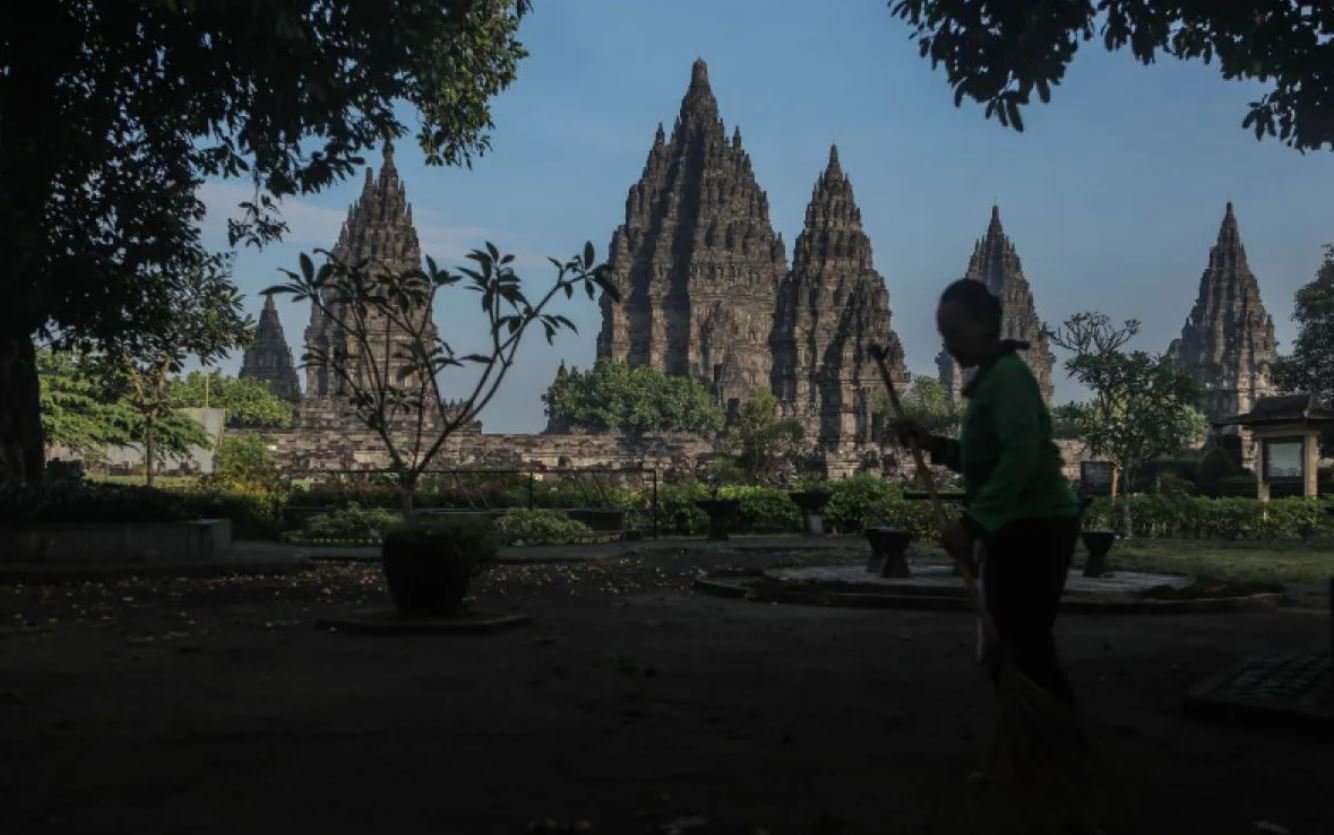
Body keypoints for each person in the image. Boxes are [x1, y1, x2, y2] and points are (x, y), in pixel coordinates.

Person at [894, 278, 1082, 706]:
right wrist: (932, 444)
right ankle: (1023, 751)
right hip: (1016, 523)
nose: (951, 346)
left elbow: (1021, 456)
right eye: (945, 337)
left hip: (1037, 522)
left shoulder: (1009, 378)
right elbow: (985, 458)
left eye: (956, 334)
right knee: (1007, 645)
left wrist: (974, 522)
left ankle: (1055, 750)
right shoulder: (991, 379)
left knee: (1023, 645)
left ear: (985, 325)